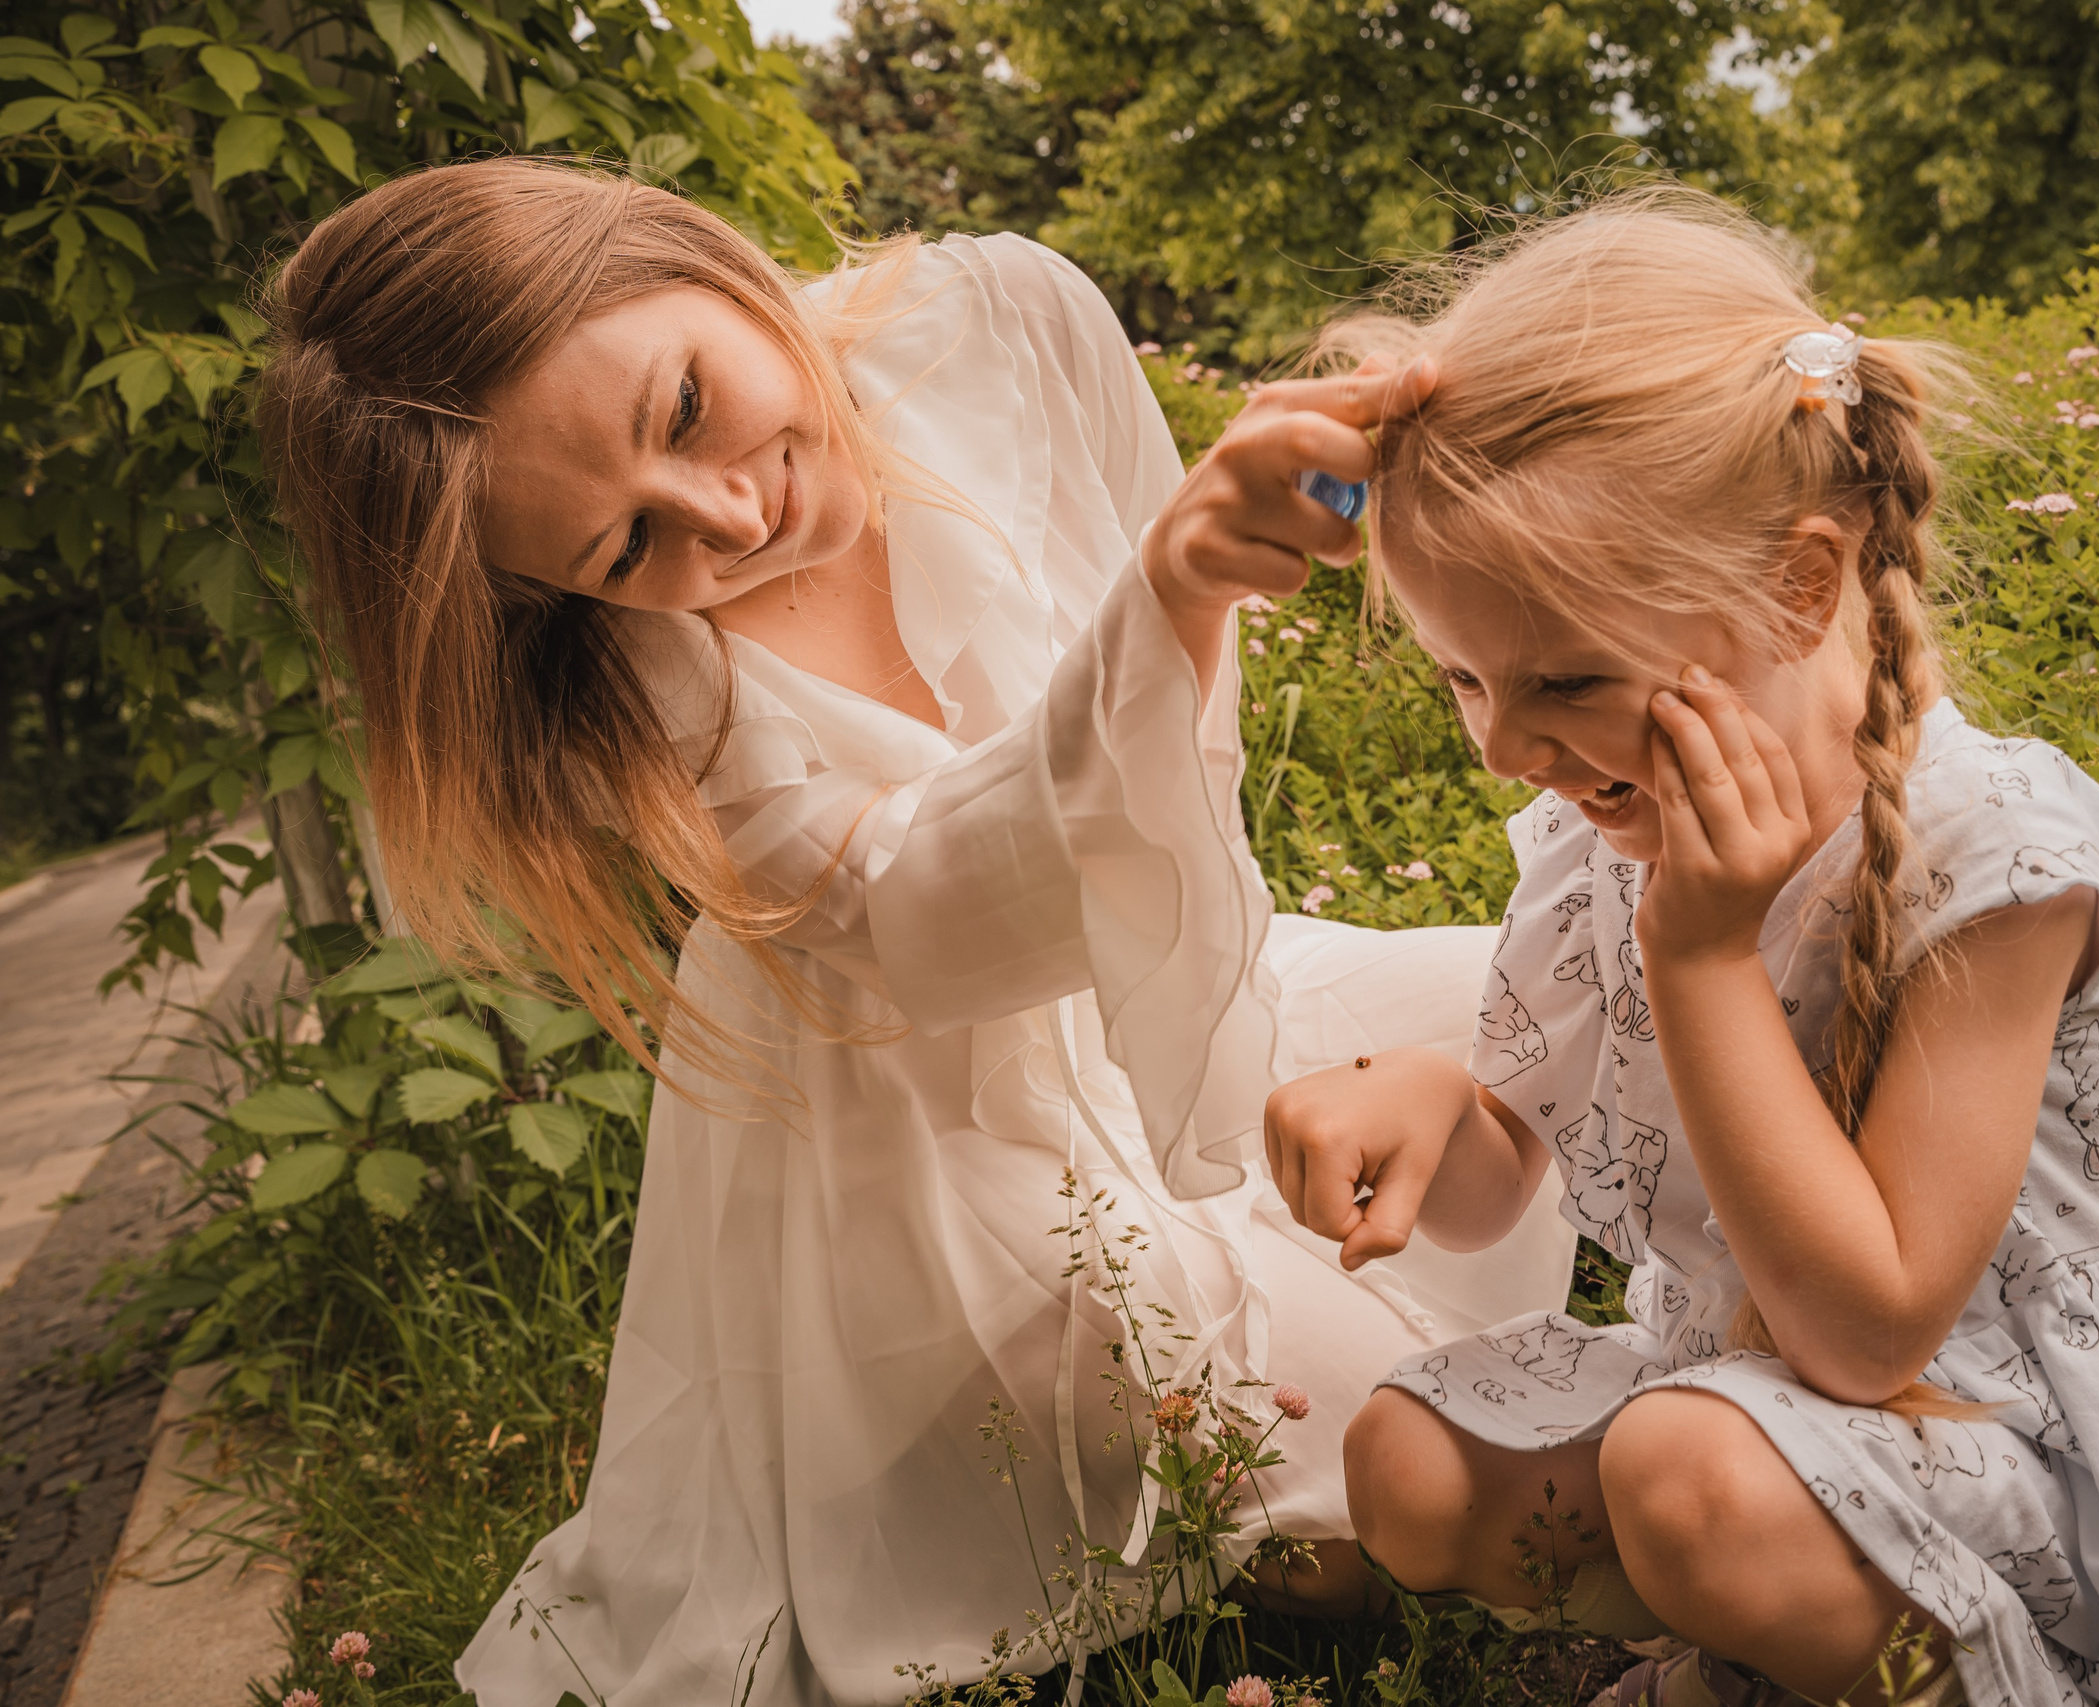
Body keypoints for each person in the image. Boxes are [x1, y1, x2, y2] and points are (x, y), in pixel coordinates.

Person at [255, 157, 1573, 1706]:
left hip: (1176, 974)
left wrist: (1315, 486)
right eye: (626, 549)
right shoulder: (639, 696)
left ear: (696, 259)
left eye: (683, 407)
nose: (731, 516)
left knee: (1544, 1002)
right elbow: (936, 912)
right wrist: (1174, 595)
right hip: (937, 1148)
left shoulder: (1006, 317)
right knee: (1367, 1507)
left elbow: (1190, 743)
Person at [1261, 189, 2099, 1707]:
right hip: (1741, 1407)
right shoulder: (1597, 830)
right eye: (1465, 681)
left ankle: (1961, 1682)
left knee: (1686, 1475)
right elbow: (1501, 1176)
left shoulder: (1990, 866)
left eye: (1565, 677)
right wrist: (1430, 1112)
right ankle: (1765, 1645)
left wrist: (1704, 959)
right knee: (1411, 1464)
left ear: (1800, 584)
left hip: (1998, 1449)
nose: (1504, 751)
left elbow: (1869, 1335)